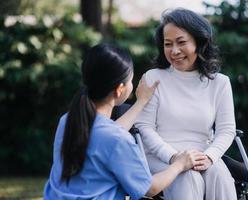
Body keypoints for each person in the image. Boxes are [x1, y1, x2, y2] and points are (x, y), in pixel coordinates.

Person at [43, 43, 204, 200]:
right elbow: (149, 188)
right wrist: (180, 164)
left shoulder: (69, 120)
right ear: (120, 89)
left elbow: (106, 136)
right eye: (130, 80)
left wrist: (141, 102)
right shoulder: (116, 139)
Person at [135, 8, 237, 200]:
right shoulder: (154, 78)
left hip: (203, 155)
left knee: (220, 175)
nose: (174, 51)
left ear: (199, 42)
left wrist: (209, 157)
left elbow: (227, 130)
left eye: (181, 42)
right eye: (168, 44)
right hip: (161, 158)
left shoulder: (220, 83)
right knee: (187, 177)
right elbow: (144, 127)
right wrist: (175, 159)